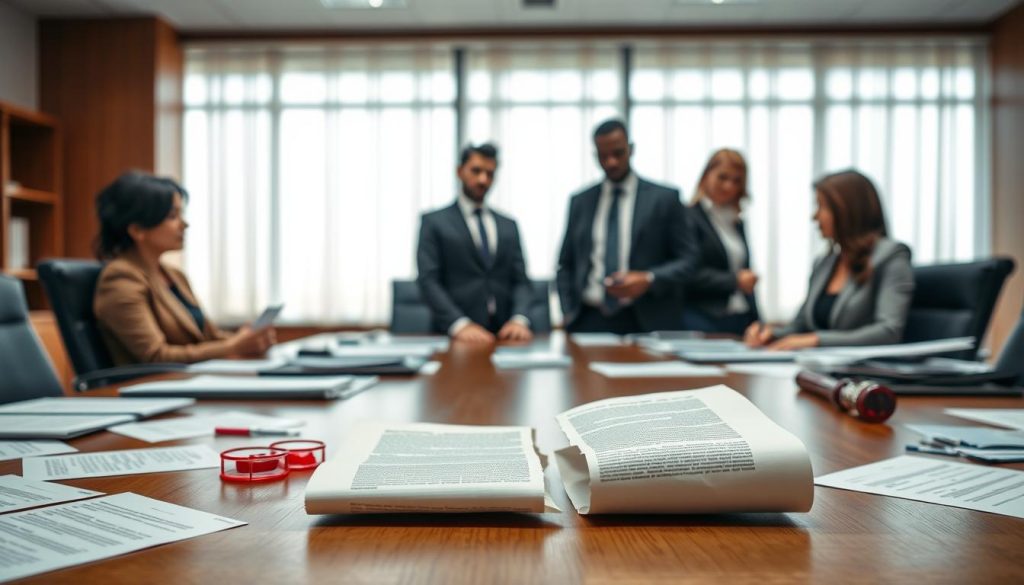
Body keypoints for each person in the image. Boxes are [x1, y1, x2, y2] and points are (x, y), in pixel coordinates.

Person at [93, 171, 275, 364]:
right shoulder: (120, 278)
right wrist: (233, 347)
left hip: (191, 380)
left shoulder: (175, 275)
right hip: (156, 387)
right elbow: (156, 356)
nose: (185, 224)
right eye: (172, 216)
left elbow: (208, 337)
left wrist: (247, 341)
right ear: (137, 230)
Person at [744, 170, 914, 349]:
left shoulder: (891, 255)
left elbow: (889, 331)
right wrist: (769, 334)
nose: (814, 217)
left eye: (822, 207)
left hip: (859, 372)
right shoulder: (824, 263)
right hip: (816, 367)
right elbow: (801, 325)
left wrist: (815, 341)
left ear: (847, 210)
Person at [556, 119, 697, 334]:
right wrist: (568, 311)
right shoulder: (581, 201)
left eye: (618, 153)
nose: (611, 162)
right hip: (589, 319)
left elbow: (689, 260)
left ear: (631, 150)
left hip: (647, 320)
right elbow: (565, 263)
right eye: (603, 156)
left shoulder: (665, 199)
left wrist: (648, 279)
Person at [416, 143, 534, 343]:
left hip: (504, 336)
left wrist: (519, 319)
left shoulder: (508, 225)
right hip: (453, 335)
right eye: (476, 171)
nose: (483, 179)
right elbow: (429, 280)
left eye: (490, 173)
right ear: (459, 171)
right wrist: (459, 324)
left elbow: (521, 280)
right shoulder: (434, 222)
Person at [683, 149, 760, 335]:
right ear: (706, 176)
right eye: (722, 177)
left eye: (736, 181)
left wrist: (758, 322)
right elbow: (687, 272)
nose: (729, 186)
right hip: (702, 317)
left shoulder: (737, 222)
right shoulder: (688, 217)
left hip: (740, 317)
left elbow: (745, 275)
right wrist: (734, 280)